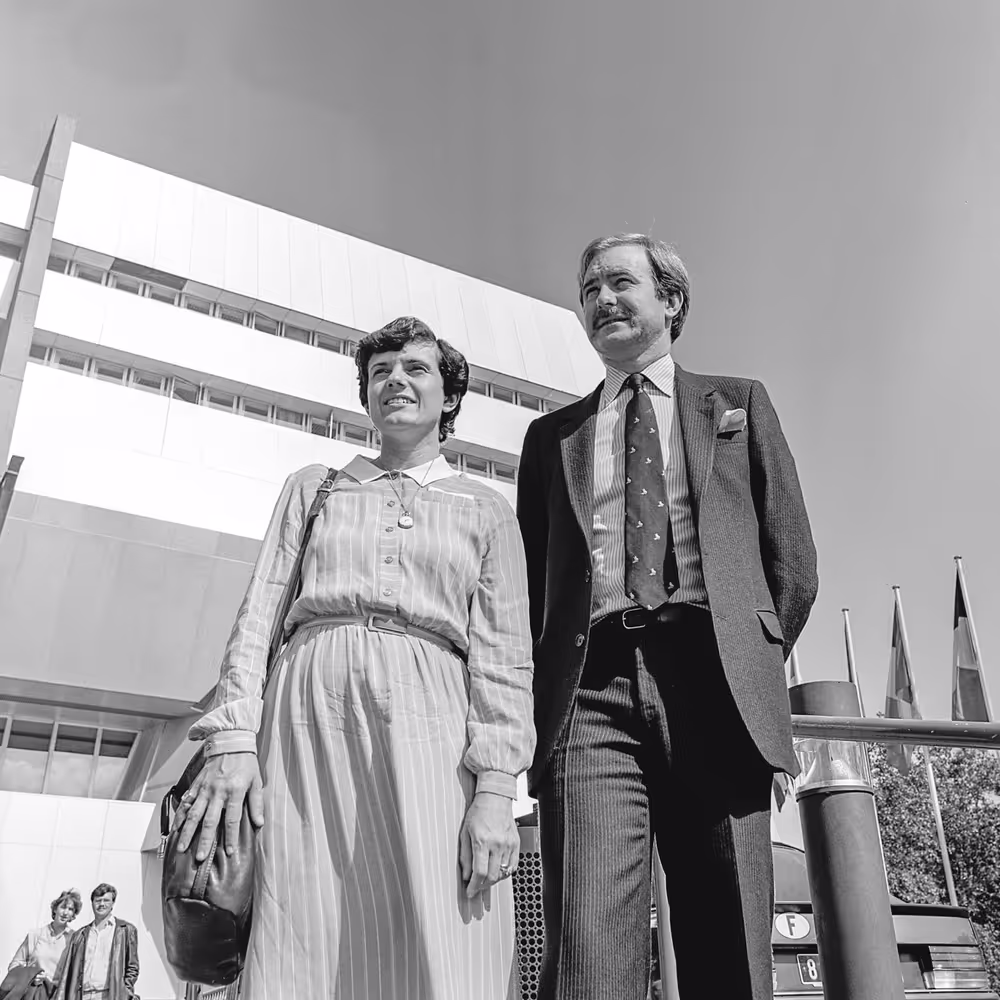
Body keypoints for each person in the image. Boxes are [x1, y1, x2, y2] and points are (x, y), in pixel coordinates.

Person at [174, 315, 535, 1000]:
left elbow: (505, 659)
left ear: (450, 397)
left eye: (415, 369)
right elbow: (257, 618)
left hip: (436, 723)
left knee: (444, 925)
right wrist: (231, 739)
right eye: (380, 373)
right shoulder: (315, 489)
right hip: (305, 721)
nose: (395, 380)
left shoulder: (487, 510)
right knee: (302, 923)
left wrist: (494, 790)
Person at [516, 234, 818, 1000]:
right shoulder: (550, 438)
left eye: (620, 282)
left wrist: (747, 669)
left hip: (716, 684)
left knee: (729, 950)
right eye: (589, 290)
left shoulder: (739, 403)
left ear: (670, 300)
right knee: (586, 955)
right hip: (591, 697)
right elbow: (532, 584)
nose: (601, 300)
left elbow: (793, 561)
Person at [52, 884, 139, 1000]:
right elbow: (68, 971)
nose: (102, 904)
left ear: (113, 903)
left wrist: (124, 990)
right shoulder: (79, 935)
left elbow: (132, 967)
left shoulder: (126, 930)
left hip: (110, 995)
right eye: (98, 900)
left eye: (106, 900)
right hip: (83, 995)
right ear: (92, 903)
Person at [3, 889, 81, 1000]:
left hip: (56, 996)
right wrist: (31, 977)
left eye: (70, 909)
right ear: (55, 909)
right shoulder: (36, 935)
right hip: (31, 994)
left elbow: (74, 975)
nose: (65, 912)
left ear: (73, 914)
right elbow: (14, 966)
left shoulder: (75, 940)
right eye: (63, 907)